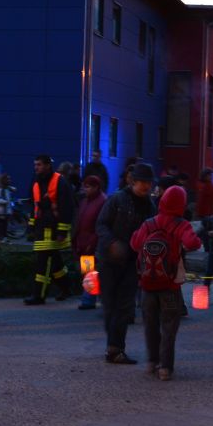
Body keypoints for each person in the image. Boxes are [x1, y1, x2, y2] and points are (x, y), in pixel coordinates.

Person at [130, 185, 202, 381]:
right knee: (169, 326)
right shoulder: (181, 224)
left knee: (150, 325)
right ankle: (165, 368)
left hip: (147, 284)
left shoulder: (149, 223)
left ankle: (152, 361)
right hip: (170, 285)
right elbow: (194, 244)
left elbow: (135, 244)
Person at [95, 162, 156, 363]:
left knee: (124, 306)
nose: (146, 186)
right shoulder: (117, 200)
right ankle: (113, 347)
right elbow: (101, 224)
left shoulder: (150, 206)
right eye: (142, 182)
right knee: (111, 305)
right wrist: (112, 242)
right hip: (108, 260)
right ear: (132, 181)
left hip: (131, 261)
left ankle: (115, 348)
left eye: (148, 182)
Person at [24, 155, 75, 305]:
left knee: (43, 263)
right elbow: (33, 206)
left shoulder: (60, 182)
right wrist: (31, 226)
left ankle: (39, 295)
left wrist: (62, 231)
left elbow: (67, 208)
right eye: (35, 165)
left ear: (48, 165)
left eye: (39, 165)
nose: (36, 167)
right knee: (54, 262)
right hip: (41, 228)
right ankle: (66, 287)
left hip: (53, 229)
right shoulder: (36, 181)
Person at [73, 175, 106, 310]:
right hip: (85, 241)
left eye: (87, 186)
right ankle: (90, 298)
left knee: (91, 271)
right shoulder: (89, 201)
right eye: (84, 186)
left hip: (91, 242)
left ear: (96, 187)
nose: (84, 189)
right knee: (89, 271)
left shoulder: (100, 201)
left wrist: (91, 241)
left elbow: (99, 224)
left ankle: (89, 299)